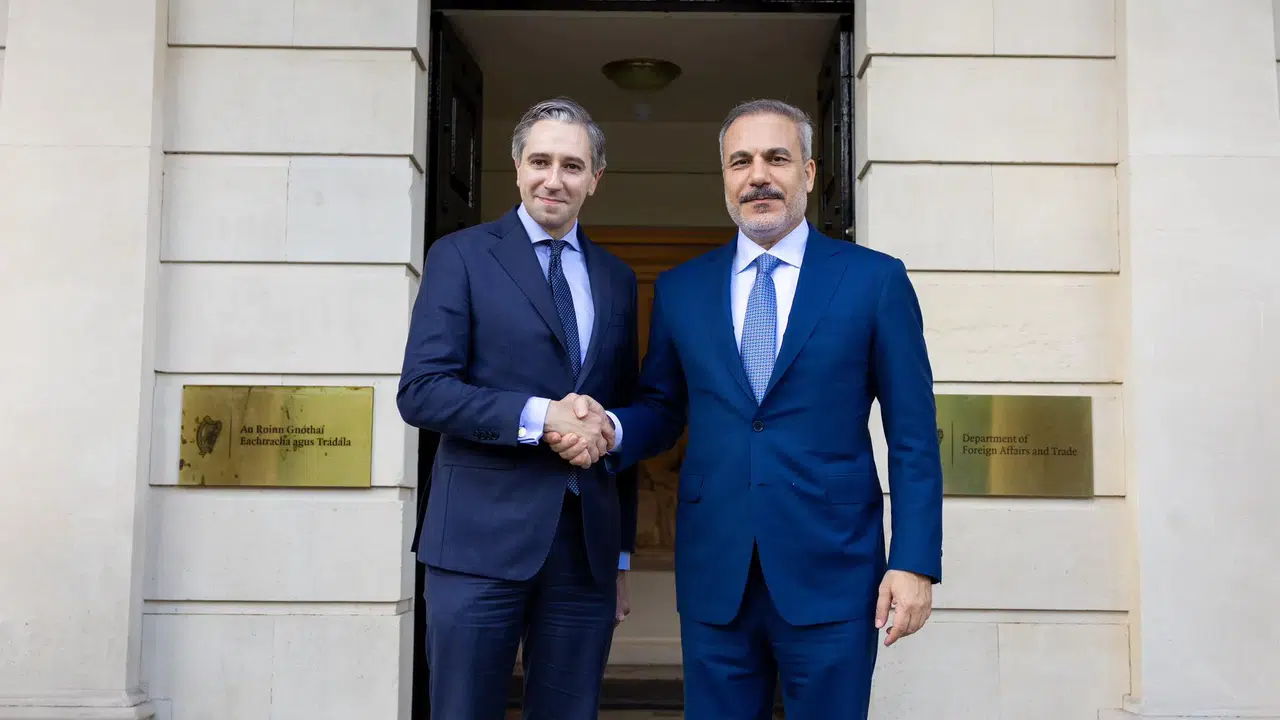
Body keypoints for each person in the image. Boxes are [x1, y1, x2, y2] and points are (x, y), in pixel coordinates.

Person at [546, 99, 944, 719]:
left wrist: (913, 562)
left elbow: (914, 437)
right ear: (725, 178)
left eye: (776, 158)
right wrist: (611, 427)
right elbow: (662, 407)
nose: (758, 175)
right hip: (716, 571)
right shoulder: (681, 288)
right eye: (741, 161)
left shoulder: (875, 281)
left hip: (834, 571)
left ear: (807, 173)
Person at [396, 97, 639, 720]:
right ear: (517, 167)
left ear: (595, 179)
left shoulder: (618, 278)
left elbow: (619, 418)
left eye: (572, 166)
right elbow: (422, 390)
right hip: (477, 545)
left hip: (585, 554)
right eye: (540, 161)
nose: (554, 179)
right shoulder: (460, 255)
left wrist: (619, 557)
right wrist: (539, 416)